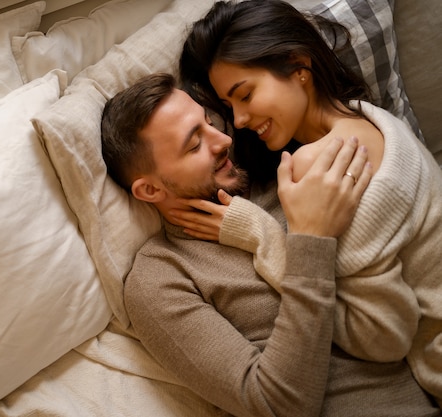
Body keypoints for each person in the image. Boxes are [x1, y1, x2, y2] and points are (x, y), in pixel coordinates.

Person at [101, 72, 440, 416]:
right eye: (194, 144)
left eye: (209, 123)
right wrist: (311, 240)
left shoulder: (293, 173)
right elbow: (275, 405)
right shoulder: (160, 277)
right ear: (150, 190)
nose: (222, 140)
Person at [175, 0, 442, 406]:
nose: (240, 121)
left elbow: (383, 338)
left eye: (244, 95)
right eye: (229, 108)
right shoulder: (370, 118)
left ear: (299, 67)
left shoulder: (316, 165)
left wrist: (262, 235)